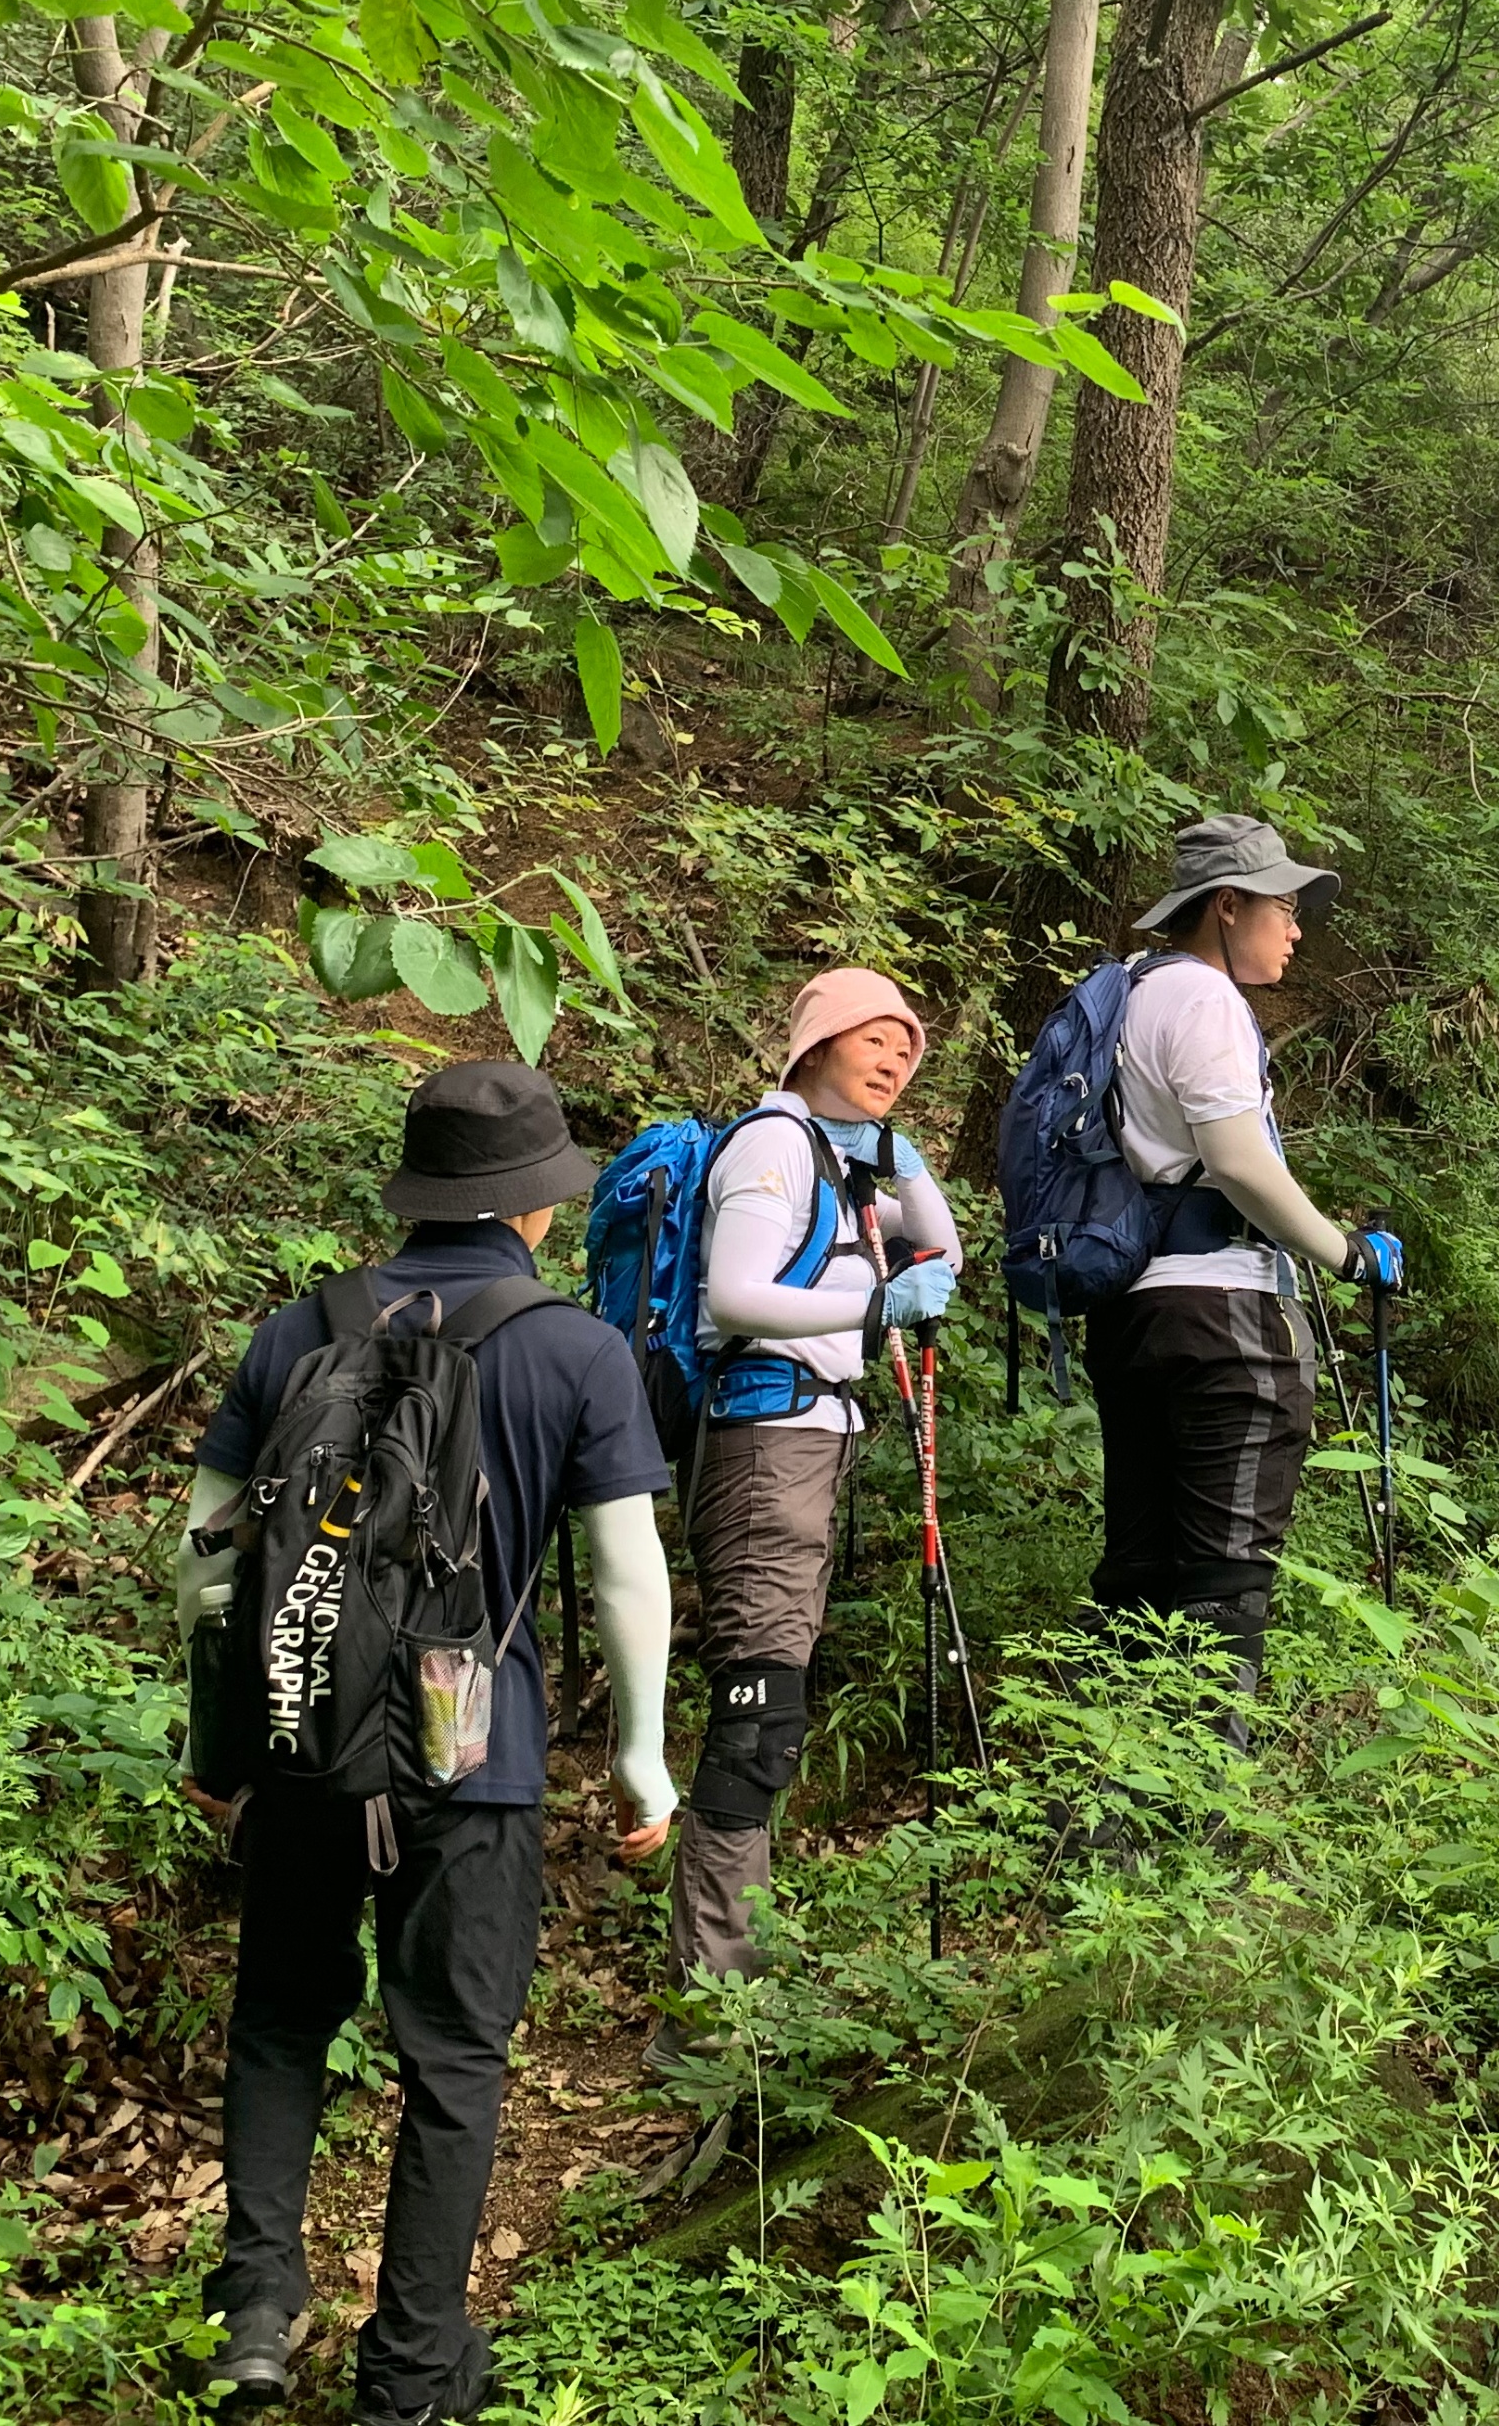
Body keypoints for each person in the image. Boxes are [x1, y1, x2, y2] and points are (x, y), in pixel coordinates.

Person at [177, 1060, 676, 2424]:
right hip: (476, 1751)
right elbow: (628, 1571)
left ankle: (256, 2317)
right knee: (452, 2055)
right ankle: (408, 2373)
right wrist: (640, 1759)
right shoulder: (574, 1349)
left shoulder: (299, 1327)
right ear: (531, 1208)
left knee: (280, 2022)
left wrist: (224, 1739)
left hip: (297, 1741)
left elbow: (203, 1555)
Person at [673, 967, 961, 2002]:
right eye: (871, 1036)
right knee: (756, 1720)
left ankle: (741, 1984)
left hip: (811, 1442)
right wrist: (878, 1303)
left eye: (907, 1045)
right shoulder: (771, 1144)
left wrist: (901, 1166)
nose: (893, 1057)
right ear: (815, 1045)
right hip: (761, 1442)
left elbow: (945, 1251)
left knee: (772, 1709)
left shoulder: (842, 1163)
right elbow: (737, 1292)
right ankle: (715, 2013)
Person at [1094, 815, 1398, 1704]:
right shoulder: (1203, 999)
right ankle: (1199, 1820)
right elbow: (1234, 1160)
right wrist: (1343, 1253)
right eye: (1284, 907)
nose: (1297, 929)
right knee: (1225, 1582)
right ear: (1226, 907)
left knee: (1142, 1570)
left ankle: (1107, 1807)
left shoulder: (1125, 991)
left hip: (1133, 1309)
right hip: (1220, 1322)